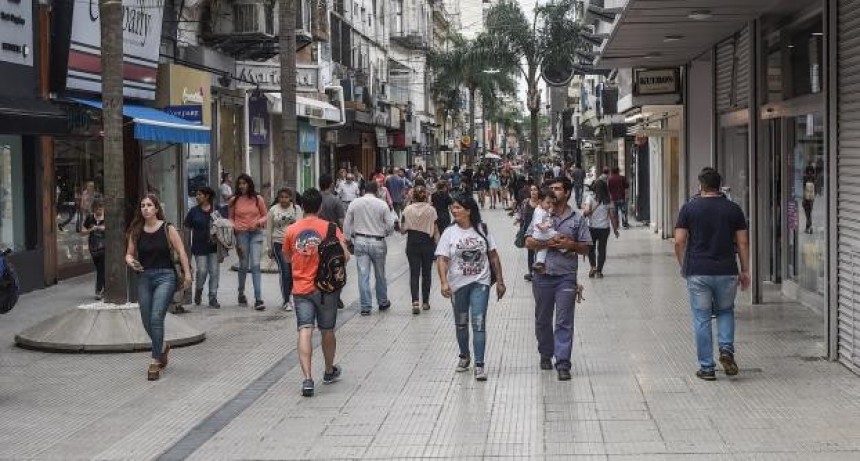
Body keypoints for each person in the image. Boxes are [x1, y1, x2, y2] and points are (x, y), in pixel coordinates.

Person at [673, 168, 750, 381]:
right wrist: (745, 270)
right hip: (726, 270)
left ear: (701, 185)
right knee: (726, 311)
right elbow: (743, 242)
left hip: (698, 271)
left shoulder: (689, 208)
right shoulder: (733, 209)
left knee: (702, 318)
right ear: (719, 185)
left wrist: (683, 265)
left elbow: (679, 241)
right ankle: (726, 350)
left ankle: (707, 368)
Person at [283, 188, 350, 397]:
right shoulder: (330, 228)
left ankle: (307, 379)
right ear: (320, 206)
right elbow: (345, 256)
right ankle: (329, 371)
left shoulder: (292, 230)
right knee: (327, 330)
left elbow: (286, 258)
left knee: (305, 330)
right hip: (326, 289)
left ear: (302, 207)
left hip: (301, 288)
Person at [525, 177, 592, 381]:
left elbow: (586, 247)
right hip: (543, 275)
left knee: (564, 320)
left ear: (568, 192)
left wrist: (570, 244)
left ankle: (563, 362)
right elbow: (527, 241)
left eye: (557, 188)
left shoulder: (577, 219)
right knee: (542, 319)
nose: (553, 191)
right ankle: (546, 352)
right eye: (551, 188)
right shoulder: (541, 214)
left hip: (566, 276)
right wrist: (546, 243)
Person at [436, 193, 506, 381]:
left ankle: (480, 364)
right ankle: (464, 355)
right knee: (461, 323)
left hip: (480, 282)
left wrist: (500, 280)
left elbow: (493, 255)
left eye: (458, 207)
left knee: (478, 322)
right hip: (458, 285)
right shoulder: (449, 232)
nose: (454, 210)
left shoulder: (482, 229)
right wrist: (444, 282)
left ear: (468, 210)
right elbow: (442, 259)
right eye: (453, 207)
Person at [125, 194, 192, 381]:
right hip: (145, 277)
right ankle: (162, 347)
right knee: (146, 319)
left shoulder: (167, 228)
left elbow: (181, 252)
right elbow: (129, 254)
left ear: (156, 209)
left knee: (156, 317)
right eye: (142, 205)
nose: (145, 208)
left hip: (166, 276)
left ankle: (155, 360)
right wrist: (131, 261)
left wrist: (187, 274)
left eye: (149, 205)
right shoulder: (136, 231)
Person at [344, 181, 395, 315]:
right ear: (377, 191)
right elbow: (390, 225)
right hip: (378, 241)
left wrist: (348, 240)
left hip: (360, 241)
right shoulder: (382, 204)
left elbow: (346, 224)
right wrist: (385, 233)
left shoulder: (354, 203)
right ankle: (382, 302)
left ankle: (366, 307)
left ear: (363, 190)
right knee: (380, 274)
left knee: (363, 275)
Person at [229, 174, 268, 310]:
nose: (242, 186)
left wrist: (258, 222)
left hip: (256, 234)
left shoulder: (258, 199)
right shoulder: (234, 200)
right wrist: (234, 227)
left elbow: (265, 215)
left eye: (244, 183)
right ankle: (241, 293)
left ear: (249, 184)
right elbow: (231, 218)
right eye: (240, 183)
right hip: (242, 235)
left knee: (256, 265)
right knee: (244, 265)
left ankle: (258, 299)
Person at [400, 185, 438, 315]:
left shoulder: (407, 209)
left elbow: (403, 230)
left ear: (413, 196)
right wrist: (437, 247)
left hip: (412, 242)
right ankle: (426, 301)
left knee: (414, 273)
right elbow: (436, 230)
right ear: (426, 196)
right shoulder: (432, 210)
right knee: (427, 273)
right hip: (427, 242)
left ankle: (415, 301)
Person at [183, 186, 220, 308]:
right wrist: (186, 245)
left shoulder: (216, 210)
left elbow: (224, 225)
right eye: (196, 194)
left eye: (199, 194)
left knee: (214, 272)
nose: (197, 197)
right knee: (202, 271)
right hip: (199, 247)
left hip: (214, 247)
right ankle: (199, 290)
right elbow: (187, 228)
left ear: (207, 196)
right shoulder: (193, 211)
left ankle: (213, 297)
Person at [267, 187, 297, 311]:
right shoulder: (273, 210)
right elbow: (269, 229)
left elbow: (300, 225)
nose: (283, 199)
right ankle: (286, 300)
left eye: (286, 197)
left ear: (290, 198)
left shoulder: (296, 209)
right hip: (279, 243)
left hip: (294, 244)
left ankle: (291, 294)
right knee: (285, 271)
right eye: (281, 197)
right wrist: (269, 247)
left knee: (292, 272)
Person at [583, 180, 620, 278]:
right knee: (602, 249)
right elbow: (612, 216)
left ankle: (593, 266)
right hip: (604, 228)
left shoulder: (589, 198)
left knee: (591, 248)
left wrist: (586, 211)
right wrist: (615, 229)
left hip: (591, 228)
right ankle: (599, 271)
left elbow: (586, 211)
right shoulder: (608, 200)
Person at [529, 188, 561, 274]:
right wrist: (545, 227)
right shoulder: (539, 211)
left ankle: (540, 262)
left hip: (541, 234)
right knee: (557, 235)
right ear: (540, 201)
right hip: (541, 233)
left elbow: (548, 213)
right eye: (548, 203)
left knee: (544, 247)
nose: (550, 205)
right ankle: (563, 249)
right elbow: (538, 224)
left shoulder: (543, 209)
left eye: (551, 203)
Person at [82, 198, 106, 299]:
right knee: (100, 268)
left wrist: (102, 228)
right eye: (96, 209)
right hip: (93, 247)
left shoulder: (107, 218)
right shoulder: (90, 218)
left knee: (101, 268)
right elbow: (82, 231)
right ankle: (107, 289)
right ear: (93, 209)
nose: (99, 211)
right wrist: (90, 229)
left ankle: (98, 290)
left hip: (105, 247)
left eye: (100, 208)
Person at [516, 184, 541, 281]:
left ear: (538, 191)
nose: (533, 192)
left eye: (535, 190)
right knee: (530, 252)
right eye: (532, 190)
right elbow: (521, 215)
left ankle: (539, 271)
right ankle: (531, 272)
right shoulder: (525, 202)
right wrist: (520, 227)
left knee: (539, 251)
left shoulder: (541, 203)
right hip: (528, 231)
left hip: (539, 231)